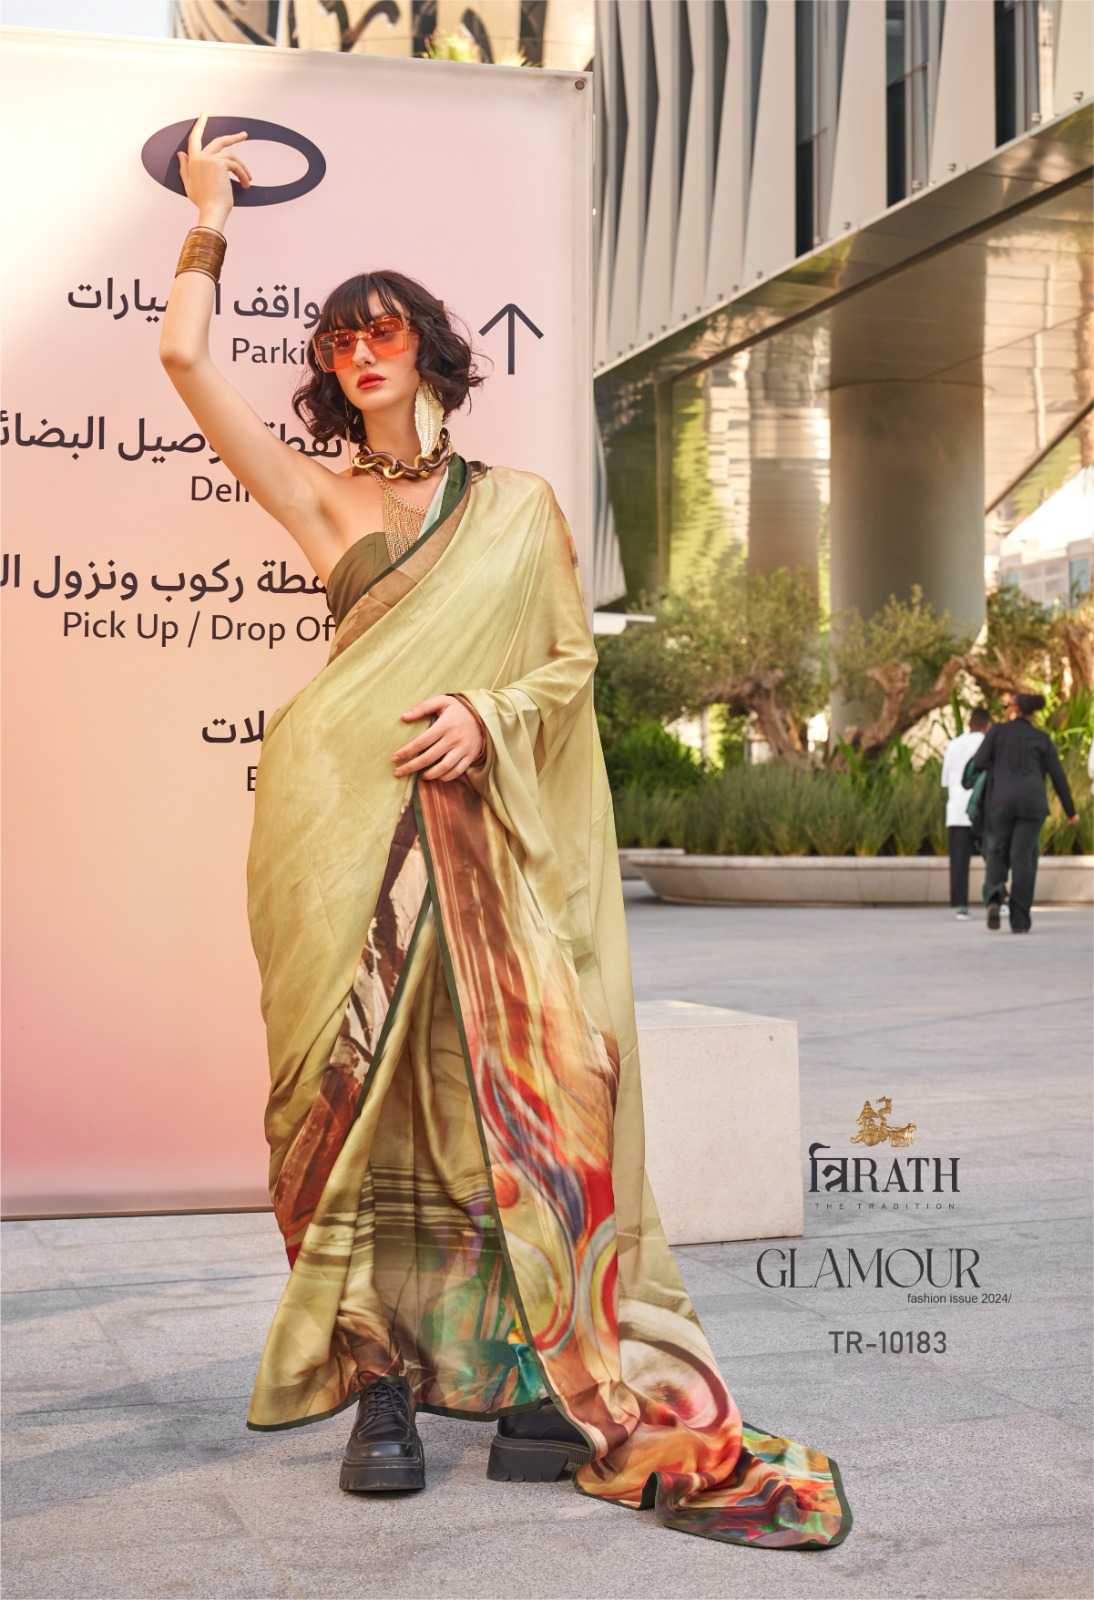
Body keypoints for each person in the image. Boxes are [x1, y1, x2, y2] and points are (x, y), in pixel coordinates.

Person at [158, 117, 850, 1549]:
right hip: (336, 825)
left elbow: (566, 666)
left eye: (384, 330)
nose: (361, 352)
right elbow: (179, 359)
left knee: (514, 1095)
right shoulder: (322, 493)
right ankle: (379, 1391)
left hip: (481, 825)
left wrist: (483, 710)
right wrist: (209, 214)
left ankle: (535, 1366)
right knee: (353, 1105)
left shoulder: (520, 507)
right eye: (340, 339)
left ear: (427, 350)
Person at [970, 691, 1079, 932]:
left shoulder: (997, 732)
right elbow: (1058, 776)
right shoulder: (1042, 738)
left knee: (996, 850)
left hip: (1001, 802)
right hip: (1032, 803)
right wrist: (1071, 811)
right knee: (1023, 859)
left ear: (1014, 709)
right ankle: (1019, 920)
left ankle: (994, 897)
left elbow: (979, 762)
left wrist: (999, 766)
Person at [941, 707, 991, 918]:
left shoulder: (953, 745)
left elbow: (945, 780)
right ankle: (998, 899)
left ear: (969, 724)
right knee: (994, 859)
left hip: (956, 812)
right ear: (987, 725)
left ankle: (960, 906)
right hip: (983, 812)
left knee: (959, 863)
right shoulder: (988, 743)